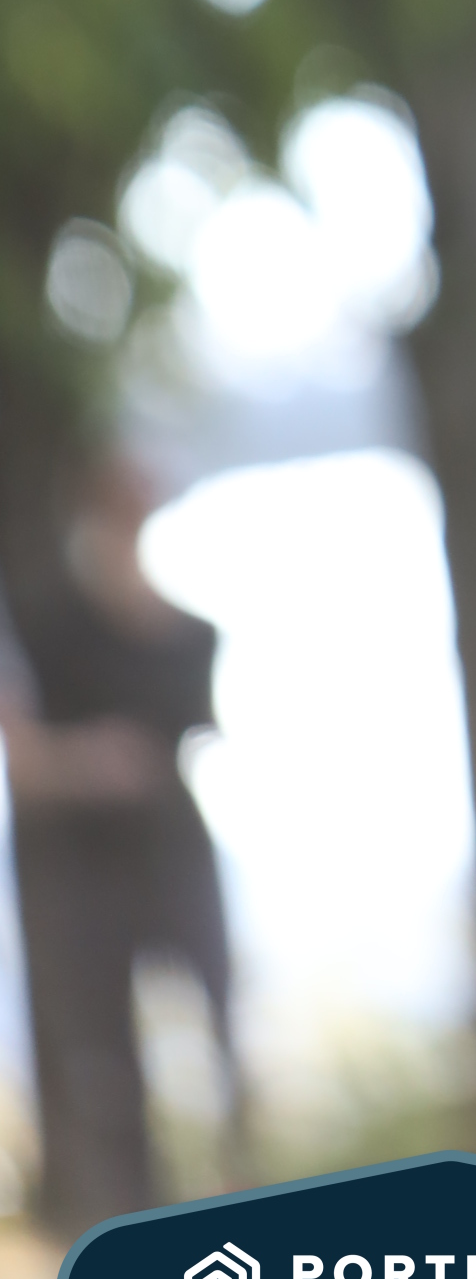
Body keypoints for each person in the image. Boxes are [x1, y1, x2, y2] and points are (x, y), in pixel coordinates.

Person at [2, 449, 243, 1238]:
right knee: (106, 1069)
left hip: (174, 853)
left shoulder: (190, 634)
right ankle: (132, 1229)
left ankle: (233, 1208)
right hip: (81, 870)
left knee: (217, 1039)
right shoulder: (46, 625)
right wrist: (86, 762)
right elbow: (25, 757)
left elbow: (198, 735)